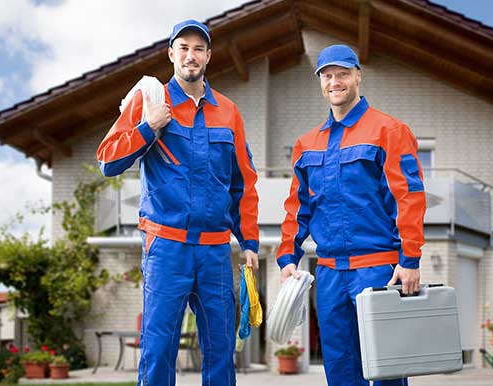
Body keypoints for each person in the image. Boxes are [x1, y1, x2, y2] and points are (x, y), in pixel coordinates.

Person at [97, 19, 259, 386]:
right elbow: (107, 160)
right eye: (183, 48)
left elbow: (242, 183)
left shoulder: (229, 112)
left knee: (221, 350)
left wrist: (249, 241)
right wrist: (147, 127)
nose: (191, 56)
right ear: (171, 54)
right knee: (158, 350)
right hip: (166, 246)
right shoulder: (151, 100)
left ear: (208, 56)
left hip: (216, 251)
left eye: (198, 49)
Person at [277, 44, 426, 386]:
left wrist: (411, 259)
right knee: (341, 370)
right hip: (329, 274)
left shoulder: (388, 130)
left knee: (387, 370)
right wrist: (288, 256)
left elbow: (409, 198)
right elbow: (297, 207)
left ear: (358, 76)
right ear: (320, 81)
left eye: (342, 73)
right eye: (327, 75)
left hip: (378, 270)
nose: (334, 81)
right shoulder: (307, 144)